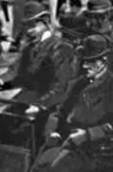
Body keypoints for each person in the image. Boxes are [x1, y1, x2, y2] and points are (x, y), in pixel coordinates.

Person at [33, 35, 113, 172]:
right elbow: (59, 113)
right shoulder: (78, 84)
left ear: (103, 61)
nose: (85, 66)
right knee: (40, 164)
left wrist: (86, 135)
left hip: (94, 149)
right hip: (66, 141)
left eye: (90, 62)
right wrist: (51, 132)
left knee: (57, 167)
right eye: (84, 61)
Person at [0, 0, 76, 115]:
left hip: (51, 105)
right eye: (26, 26)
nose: (28, 31)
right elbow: (15, 70)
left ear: (46, 23)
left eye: (32, 25)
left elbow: (61, 86)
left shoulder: (60, 48)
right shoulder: (29, 47)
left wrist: (41, 105)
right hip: (28, 97)